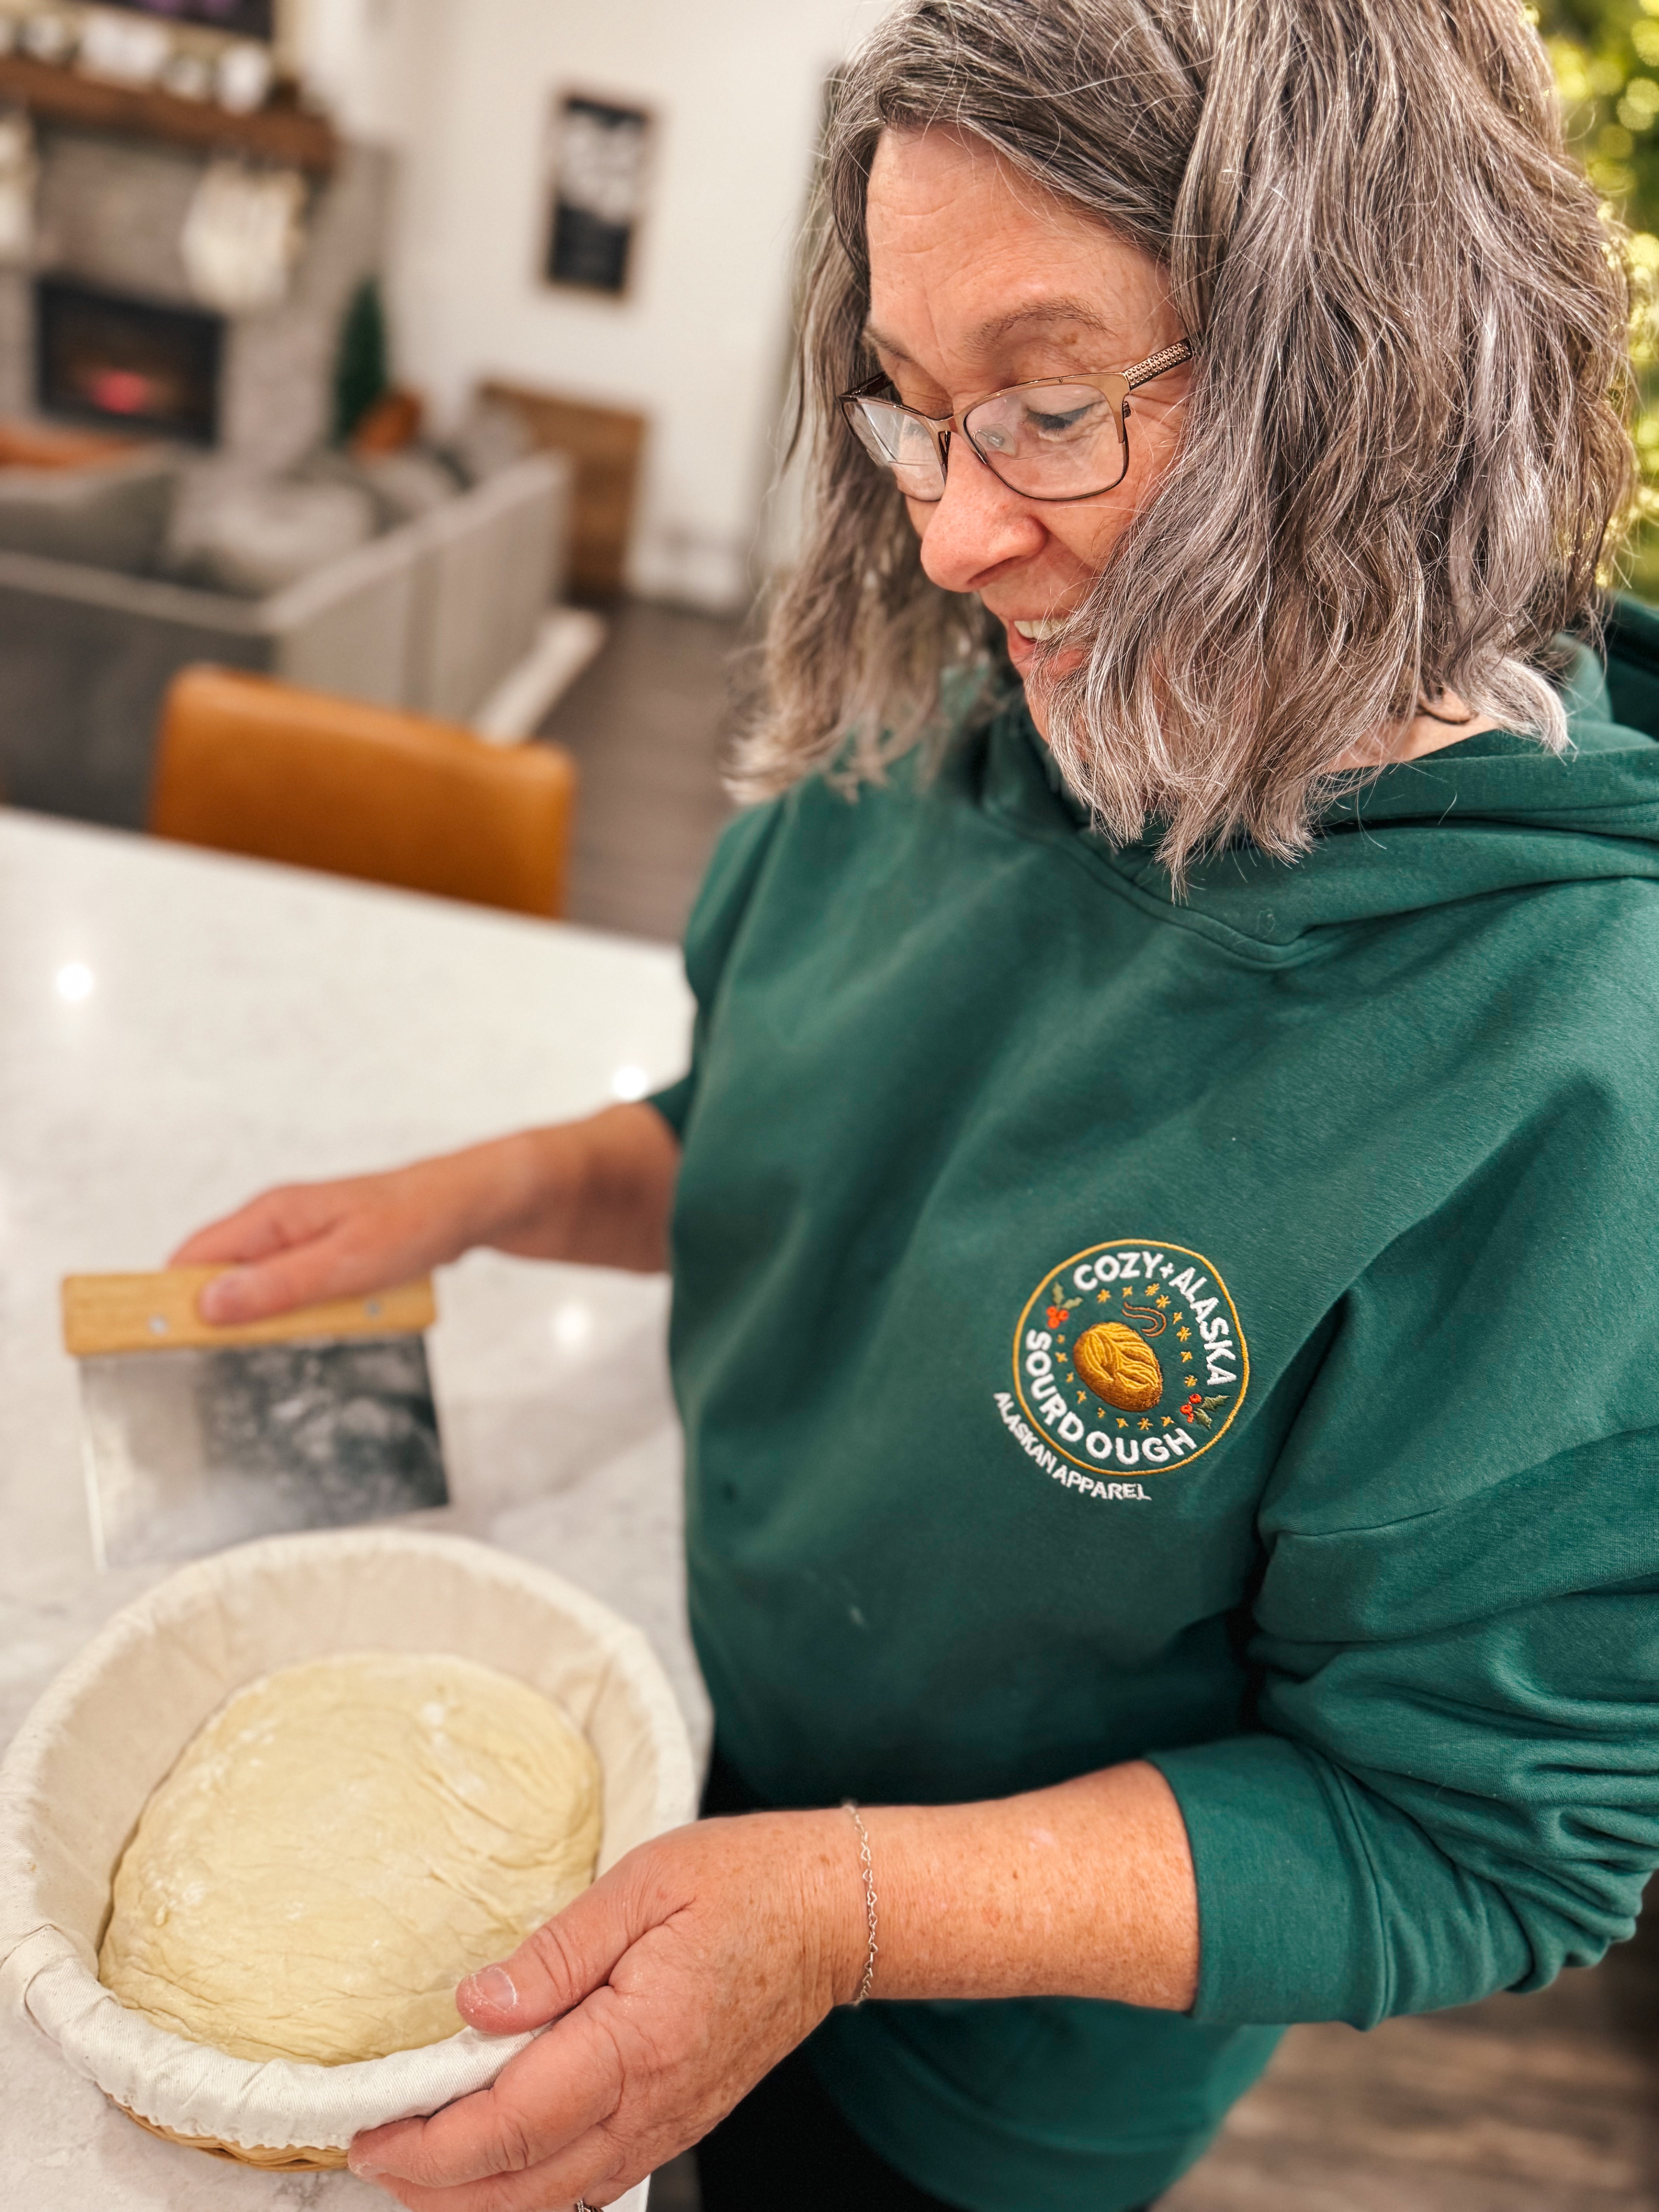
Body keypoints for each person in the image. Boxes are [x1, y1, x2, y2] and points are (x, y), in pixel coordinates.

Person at [172, 3, 1659, 2208]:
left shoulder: (1565, 1072)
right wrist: (481, 1192)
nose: (955, 533)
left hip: (988, 2103)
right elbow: (807, 1147)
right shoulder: (965, 707)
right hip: (672, 1763)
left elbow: (1467, 1832)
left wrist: (842, 1913)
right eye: (914, 408)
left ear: (1382, 370)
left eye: (1051, 407)